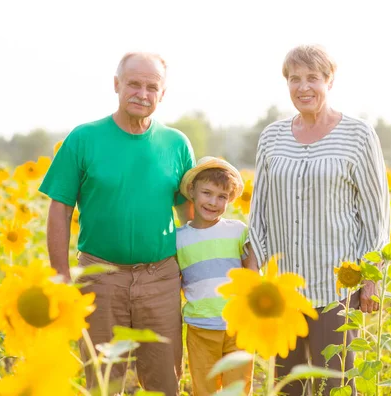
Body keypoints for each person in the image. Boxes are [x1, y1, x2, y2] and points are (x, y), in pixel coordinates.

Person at [38, 52, 195, 395]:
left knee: (165, 379)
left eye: (152, 87)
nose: (142, 93)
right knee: (104, 381)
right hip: (100, 278)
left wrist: (198, 273)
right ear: (116, 85)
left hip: (161, 279)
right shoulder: (83, 138)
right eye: (134, 84)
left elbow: (189, 217)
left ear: (163, 93)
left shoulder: (177, 144)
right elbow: (59, 209)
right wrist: (61, 276)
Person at [248, 44, 391, 395]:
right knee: (286, 386)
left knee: (336, 385)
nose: (303, 87)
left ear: (329, 81)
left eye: (313, 78)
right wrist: (253, 276)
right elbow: (259, 214)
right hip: (282, 293)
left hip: (335, 291)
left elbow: (376, 213)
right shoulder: (272, 137)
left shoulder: (358, 135)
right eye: (294, 79)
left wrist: (371, 279)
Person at [177, 156, 257, 395]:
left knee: (239, 388)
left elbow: (251, 272)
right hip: (200, 327)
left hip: (238, 327)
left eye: (222, 196)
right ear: (192, 191)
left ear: (230, 199)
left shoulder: (237, 231)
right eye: (207, 193)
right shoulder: (178, 238)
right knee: (206, 389)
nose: (213, 202)